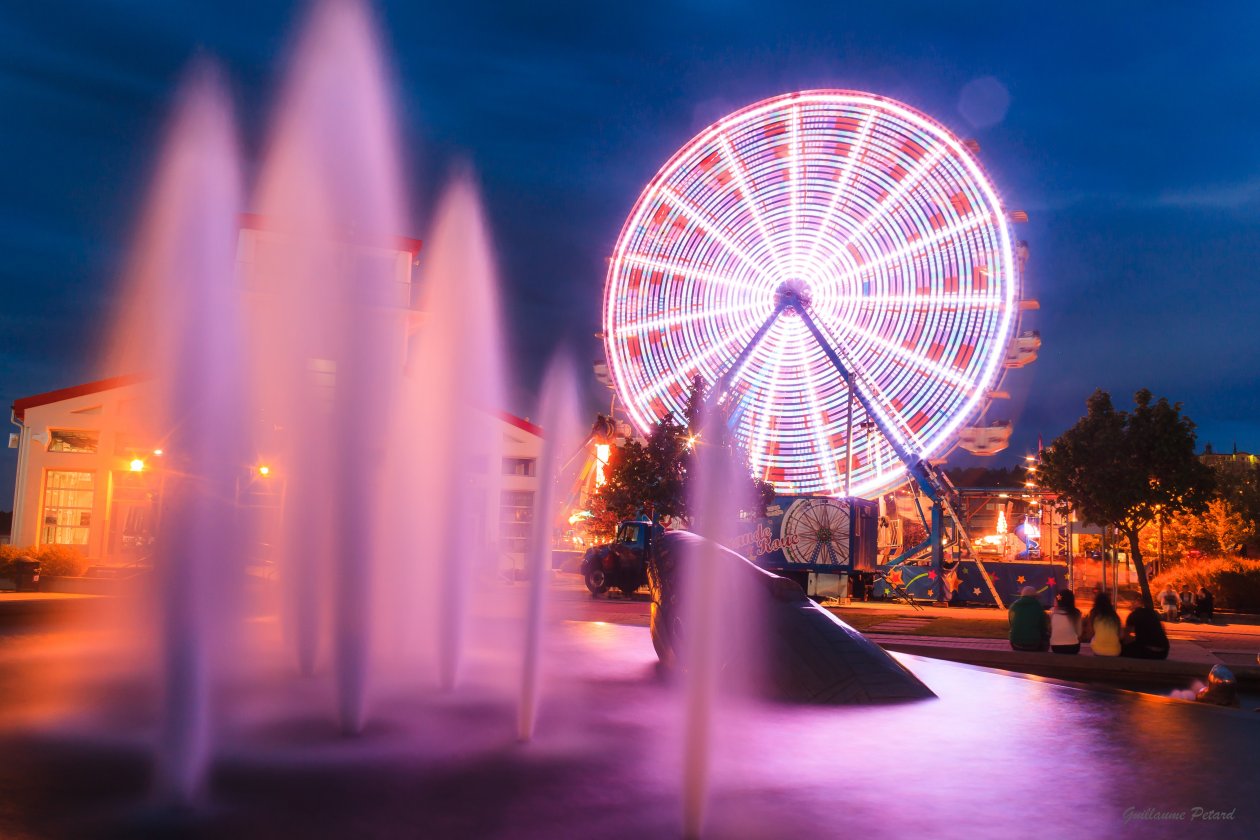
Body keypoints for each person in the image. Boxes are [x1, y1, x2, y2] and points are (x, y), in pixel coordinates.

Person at [1008, 585, 1049, 652]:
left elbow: (1011, 623)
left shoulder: (1013, 606)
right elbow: (1043, 627)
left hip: (1015, 643)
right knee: (1046, 637)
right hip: (1033, 644)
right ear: (1034, 596)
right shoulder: (1038, 606)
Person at [1084, 591, 1122, 656]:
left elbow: (1089, 634)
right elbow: (1121, 635)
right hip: (1115, 651)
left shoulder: (1094, 614)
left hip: (1098, 650)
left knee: (1093, 641)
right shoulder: (1114, 616)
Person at [1049, 590, 1083, 654]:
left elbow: (1051, 629)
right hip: (1073, 647)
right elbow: (1079, 633)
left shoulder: (1052, 612)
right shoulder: (1076, 613)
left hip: (1056, 647)